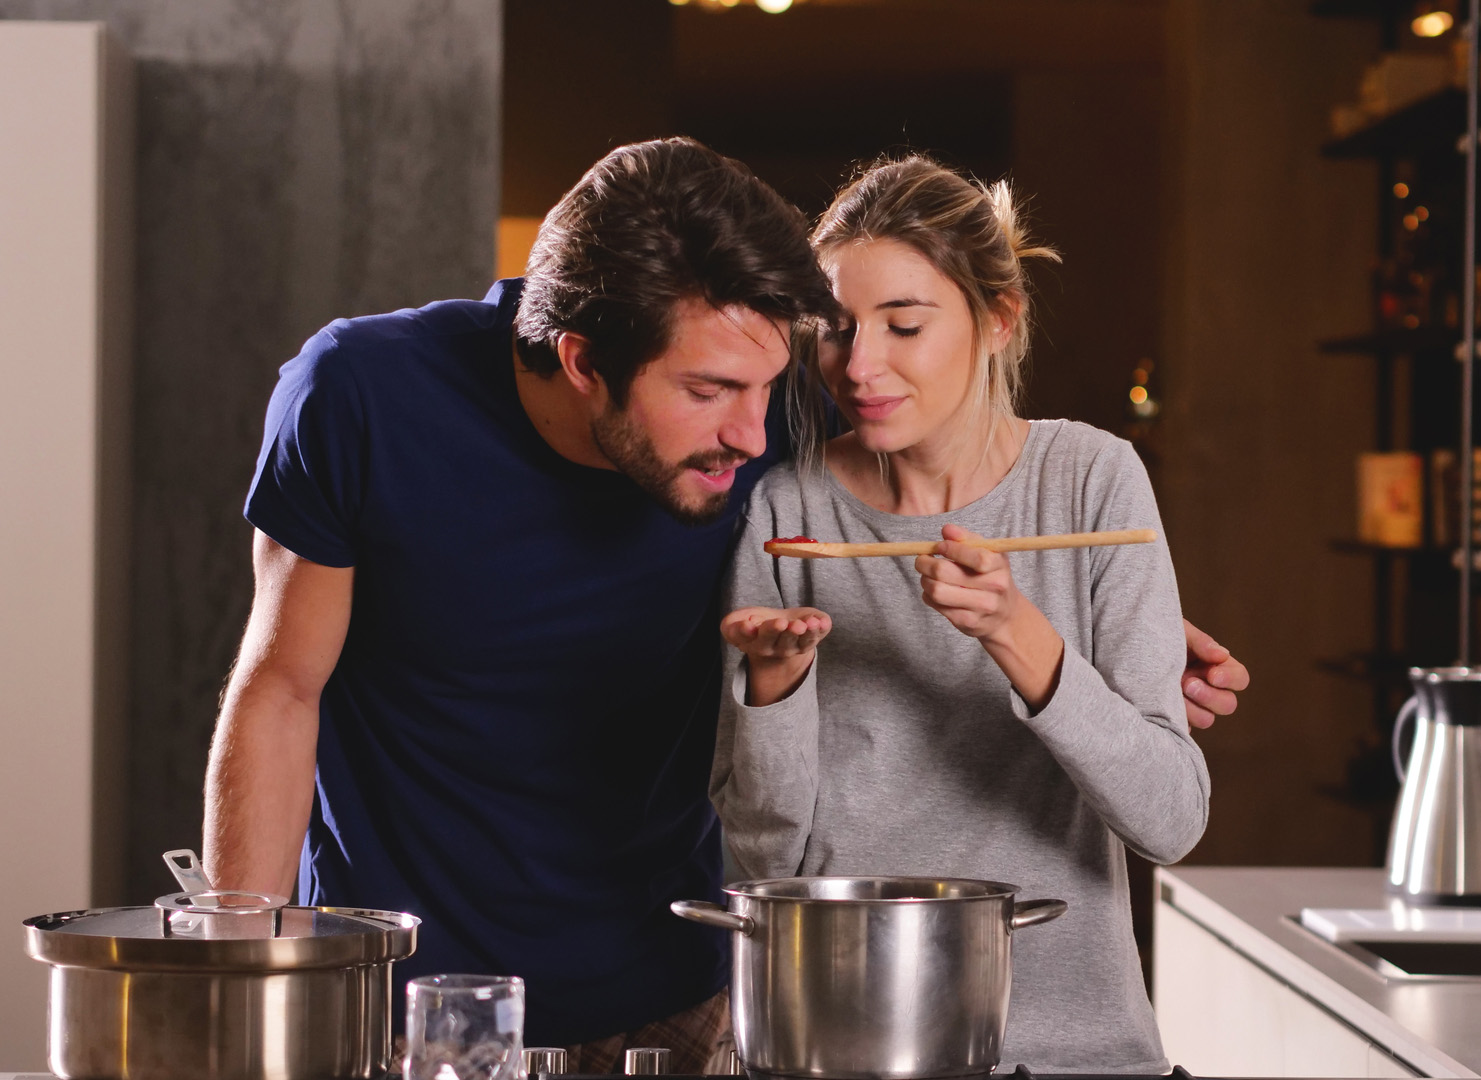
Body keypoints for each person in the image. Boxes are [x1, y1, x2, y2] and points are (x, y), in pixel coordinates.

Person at [204, 138, 1247, 1072]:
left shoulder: (777, 410)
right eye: (710, 393)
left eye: (776, 382)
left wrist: (1113, 642)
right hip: (410, 996)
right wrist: (237, 986)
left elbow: (916, 501)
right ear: (584, 362)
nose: (755, 434)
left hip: (683, 996)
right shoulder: (360, 395)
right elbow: (282, 689)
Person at [712, 157, 1206, 1074]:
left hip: (1078, 1052)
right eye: (835, 331)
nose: (860, 366)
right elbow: (759, 865)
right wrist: (774, 695)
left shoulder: (1092, 481)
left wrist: (1024, 639)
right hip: (841, 1044)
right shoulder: (789, 511)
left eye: (904, 324)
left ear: (998, 319)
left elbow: (1171, 819)